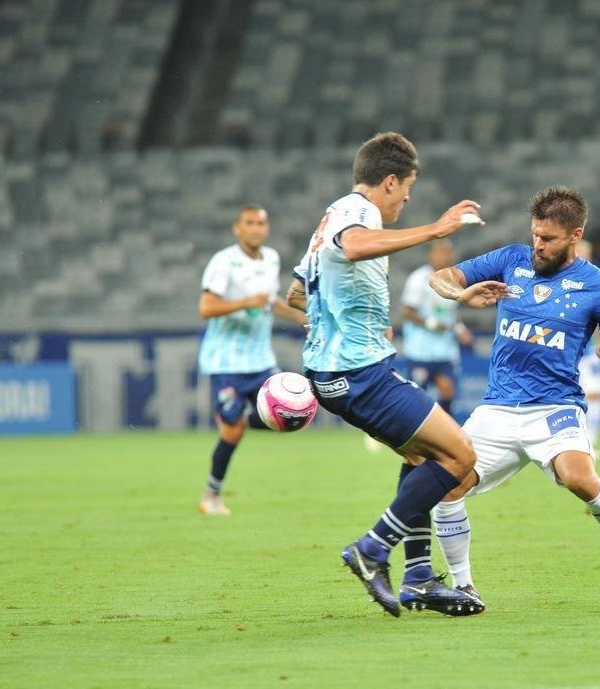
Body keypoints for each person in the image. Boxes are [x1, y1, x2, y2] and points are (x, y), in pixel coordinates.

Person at [426, 186, 600, 610]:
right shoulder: (510, 260)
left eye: (548, 239)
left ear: (575, 235)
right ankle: (464, 586)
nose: (538, 245)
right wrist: (461, 294)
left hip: (555, 407)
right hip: (498, 409)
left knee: (580, 478)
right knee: (444, 484)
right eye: (535, 235)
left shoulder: (599, 288)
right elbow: (443, 278)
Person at [285, 131, 485, 618]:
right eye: (408, 188)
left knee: (423, 458)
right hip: (359, 372)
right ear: (390, 181)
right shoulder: (357, 213)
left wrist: (329, 325)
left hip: (339, 370)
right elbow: (353, 248)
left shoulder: (328, 217)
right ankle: (373, 548)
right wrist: (436, 230)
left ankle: (418, 577)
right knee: (461, 457)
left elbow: (295, 294)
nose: (409, 198)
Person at [196, 204, 307, 517]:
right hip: (225, 362)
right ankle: (211, 495)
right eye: (250, 223)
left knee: (290, 416)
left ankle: (240, 418)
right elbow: (206, 307)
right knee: (231, 433)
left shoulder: (270, 258)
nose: (257, 228)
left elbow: (270, 301)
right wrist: (245, 302)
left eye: (261, 223)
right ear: (237, 228)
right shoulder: (224, 262)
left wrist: (300, 317)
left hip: (260, 360)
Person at [399, 240, 473, 415]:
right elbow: (407, 312)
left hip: (445, 351)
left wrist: (461, 330)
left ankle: (443, 432)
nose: (444, 256)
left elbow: (452, 313)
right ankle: (411, 431)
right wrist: (431, 323)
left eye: (447, 252)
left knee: (448, 390)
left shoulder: (455, 279)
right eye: (440, 252)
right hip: (420, 350)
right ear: (431, 255)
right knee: (417, 396)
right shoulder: (419, 279)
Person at [574, 240, 600, 455]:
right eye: (582, 253)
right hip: (566, 354)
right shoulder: (563, 282)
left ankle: (590, 444)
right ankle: (577, 444)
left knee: (595, 394)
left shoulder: (595, 282)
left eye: (588, 254)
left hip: (587, 353)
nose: (586, 258)